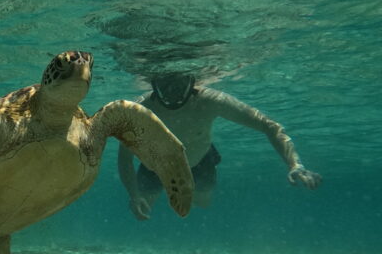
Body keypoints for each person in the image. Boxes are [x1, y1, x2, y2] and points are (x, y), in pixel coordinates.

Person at [118, 72, 321, 219]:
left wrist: (295, 164)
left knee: (202, 203)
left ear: (192, 82)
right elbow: (124, 157)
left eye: (178, 85)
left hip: (200, 162)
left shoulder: (210, 100)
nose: (172, 94)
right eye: (166, 86)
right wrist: (133, 195)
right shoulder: (139, 111)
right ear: (153, 84)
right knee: (142, 211)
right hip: (155, 167)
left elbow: (268, 125)